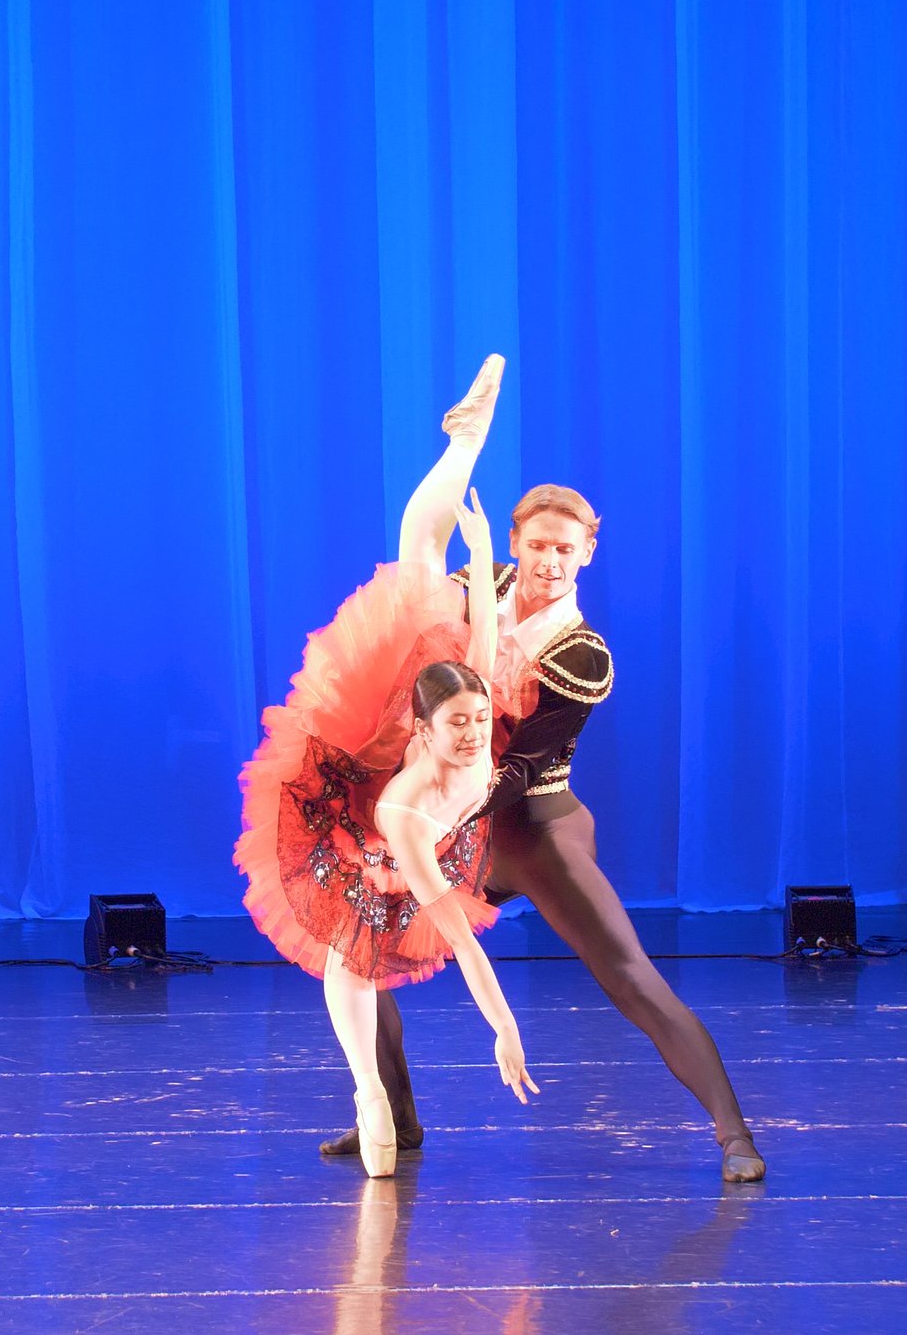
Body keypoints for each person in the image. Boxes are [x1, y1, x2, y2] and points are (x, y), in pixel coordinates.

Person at [317, 373, 770, 1184]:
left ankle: (734, 1135)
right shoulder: (482, 588)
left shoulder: (582, 654)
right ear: (515, 544)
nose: (550, 562)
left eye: (566, 549)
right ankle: (395, 1115)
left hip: (533, 826)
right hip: (458, 815)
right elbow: (421, 585)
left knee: (628, 974)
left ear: (588, 550)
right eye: (537, 546)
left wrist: (431, 820)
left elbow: (516, 764)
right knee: (358, 943)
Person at [237, 356, 540, 1179]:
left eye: (480, 722)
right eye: (461, 726)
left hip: (414, 809)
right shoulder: (405, 801)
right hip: (365, 796)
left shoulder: (470, 721)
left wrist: (484, 554)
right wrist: (502, 1025)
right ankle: (368, 1091)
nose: (478, 736)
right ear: (424, 727)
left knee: (428, 556)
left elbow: (483, 648)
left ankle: (466, 442)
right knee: (349, 951)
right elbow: (459, 937)